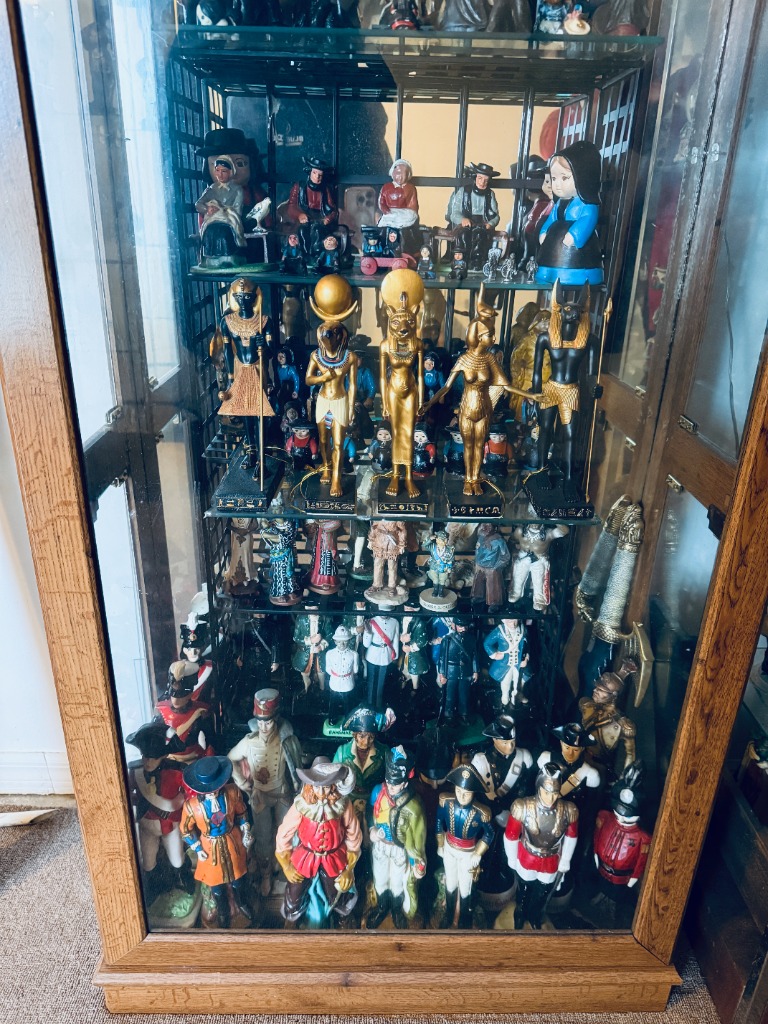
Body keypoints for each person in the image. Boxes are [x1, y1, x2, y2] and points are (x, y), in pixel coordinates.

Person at [227, 689, 303, 896]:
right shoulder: (249, 742)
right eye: (260, 722)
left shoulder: (286, 741)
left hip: (282, 794)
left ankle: (284, 871)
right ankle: (266, 874)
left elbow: (296, 767)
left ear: (275, 719)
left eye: (268, 722)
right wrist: (241, 781)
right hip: (260, 796)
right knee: (262, 836)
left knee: (285, 833)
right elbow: (230, 758)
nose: (263, 727)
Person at [275, 757, 362, 927]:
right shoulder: (301, 806)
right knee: (295, 891)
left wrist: (349, 869)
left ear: (333, 786)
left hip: (334, 858)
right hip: (306, 857)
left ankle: (343, 919)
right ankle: (292, 919)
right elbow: (283, 835)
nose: (321, 791)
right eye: (317, 786)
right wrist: (286, 866)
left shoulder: (343, 805)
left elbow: (354, 835)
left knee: (339, 892)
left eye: (326, 786)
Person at [180, 756, 254, 928]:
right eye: (208, 790)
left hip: (232, 841)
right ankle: (223, 911)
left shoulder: (232, 793)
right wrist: (197, 848)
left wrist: (245, 829)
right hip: (209, 847)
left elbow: (242, 813)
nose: (213, 792)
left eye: (216, 788)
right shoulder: (192, 806)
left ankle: (242, 903)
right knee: (216, 884)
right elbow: (185, 829)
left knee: (238, 878)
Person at [504, 762, 578, 929]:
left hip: (551, 859)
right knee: (524, 889)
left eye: (554, 793)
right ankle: (520, 913)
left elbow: (571, 836)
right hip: (527, 856)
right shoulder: (522, 807)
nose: (550, 798)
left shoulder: (569, 810)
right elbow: (510, 836)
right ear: (539, 787)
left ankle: (535, 916)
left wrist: (565, 859)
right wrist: (511, 858)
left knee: (543, 892)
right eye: (546, 792)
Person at [366, 746, 427, 929]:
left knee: (397, 882)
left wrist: (416, 861)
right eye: (389, 782)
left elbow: (416, 837)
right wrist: (372, 828)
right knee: (380, 878)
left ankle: (396, 910)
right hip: (380, 845)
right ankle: (382, 907)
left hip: (399, 848)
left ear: (405, 783)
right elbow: (370, 810)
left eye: (395, 783)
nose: (391, 787)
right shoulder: (378, 792)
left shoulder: (412, 804)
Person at [536, 141, 604, 286]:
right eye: (554, 179)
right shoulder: (559, 203)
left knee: (573, 270)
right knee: (548, 269)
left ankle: (577, 274)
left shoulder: (587, 205)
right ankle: (547, 271)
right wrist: (544, 231)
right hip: (554, 251)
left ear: (582, 177)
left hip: (576, 256)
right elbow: (551, 219)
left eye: (564, 178)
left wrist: (574, 235)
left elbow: (588, 220)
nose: (557, 184)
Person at [436, 764, 494, 928]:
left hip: (468, 852)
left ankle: (464, 919)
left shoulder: (480, 812)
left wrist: (478, 853)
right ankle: (449, 915)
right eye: (458, 791)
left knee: (465, 886)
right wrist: (440, 844)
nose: (461, 796)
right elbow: (439, 822)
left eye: (467, 793)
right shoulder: (446, 803)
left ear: (473, 793)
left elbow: (489, 833)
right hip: (449, 848)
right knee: (450, 883)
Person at [446, 162, 501, 270]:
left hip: (483, 224)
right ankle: (462, 261)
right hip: (466, 224)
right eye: (480, 178)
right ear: (475, 178)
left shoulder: (490, 194)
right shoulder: (463, 191)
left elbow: (496, 216)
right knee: (463, 235)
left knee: (479, 235)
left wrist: (491, 223)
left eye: (486, 180)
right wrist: (462, 219)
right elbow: (454, 213)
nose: (482, 182)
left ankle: (477, 262)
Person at [195, 155, 247, 268]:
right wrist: (207, 209)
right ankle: (211, 258)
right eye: (217, 171)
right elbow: (198, 204)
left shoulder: (237, 189)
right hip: (213, 219)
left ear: (230, 172)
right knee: (210, 230)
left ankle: (228, 257)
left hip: (228, 219)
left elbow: (237, 210)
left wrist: (223, 210)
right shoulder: (212, 189)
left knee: (224, 232)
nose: (220, 174)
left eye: (224, 171)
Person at [285, 156, 339, 257]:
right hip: (305, 219)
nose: (317, 177)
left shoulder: (326, 190)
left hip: (320, 220)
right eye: (314, 173)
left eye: (320, 175)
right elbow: (291, 206)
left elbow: (333, 210)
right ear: (310, 172)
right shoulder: (299, 187)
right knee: (302, 231)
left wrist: (328, 219)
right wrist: (299, 215)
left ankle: (317, 255)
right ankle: (305, 255)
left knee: (318, 231)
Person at [436, 618, 477, 723]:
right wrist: (442, 673)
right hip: (451, 672)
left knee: (464, 694)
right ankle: (448, 715)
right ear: (454, 626)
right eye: (460, 626)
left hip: (466, 671)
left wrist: (476, 671)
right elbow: (442, 658)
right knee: (450, 695)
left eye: (465, 626)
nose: (463, 629)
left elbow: (475, 656)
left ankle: (464, 714)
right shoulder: (447, 640)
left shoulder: (472, 639)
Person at [483, 619, 531, 707]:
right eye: (509, 621)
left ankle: (517, 696)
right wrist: (494, 654)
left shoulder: (523, 629)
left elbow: (527, 646)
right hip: (505, 664)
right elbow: (487, 643)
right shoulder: (499, 631)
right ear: (504, 621)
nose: (513, 624)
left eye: (514, 620)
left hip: (518, 663)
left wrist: (526, 659)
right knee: (506, 681)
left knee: (519, 681)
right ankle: (505, 695)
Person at [471, 523, 511, 613]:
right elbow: (477, 550)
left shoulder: (499, 540)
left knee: (493, 584)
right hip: (480, 564)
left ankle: (494, 602)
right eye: (484, 525)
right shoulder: (481, 537)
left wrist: (497, 566)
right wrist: (477, 561)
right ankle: (479, 596)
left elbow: (506, 556)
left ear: (494, 528)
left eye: (489, 526)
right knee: (478, 582)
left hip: (492, 567)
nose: (486, 527)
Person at [363, 614, 401, 706]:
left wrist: (395, 656)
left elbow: (395, 640)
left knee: (381, 682)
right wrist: (368, 632)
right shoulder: (372, 621)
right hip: (372, 655)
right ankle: (370, 705)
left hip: (386, 655)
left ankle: (378, 705)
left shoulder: (394, 622)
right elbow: (366, 644)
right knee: (371, 682)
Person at [325, 625, 360, 722]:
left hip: (348, 683)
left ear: (349, 641)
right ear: (335, 641)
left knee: (348, 704)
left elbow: (355, 670)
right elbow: (328, 669)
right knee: (333, 703)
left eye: (345, 641)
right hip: (335, 682)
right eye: (339, 641)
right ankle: (332, 719)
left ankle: (348, 721)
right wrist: (337, 675)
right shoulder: (330, 654)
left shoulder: (354, 654)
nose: (342, 644)